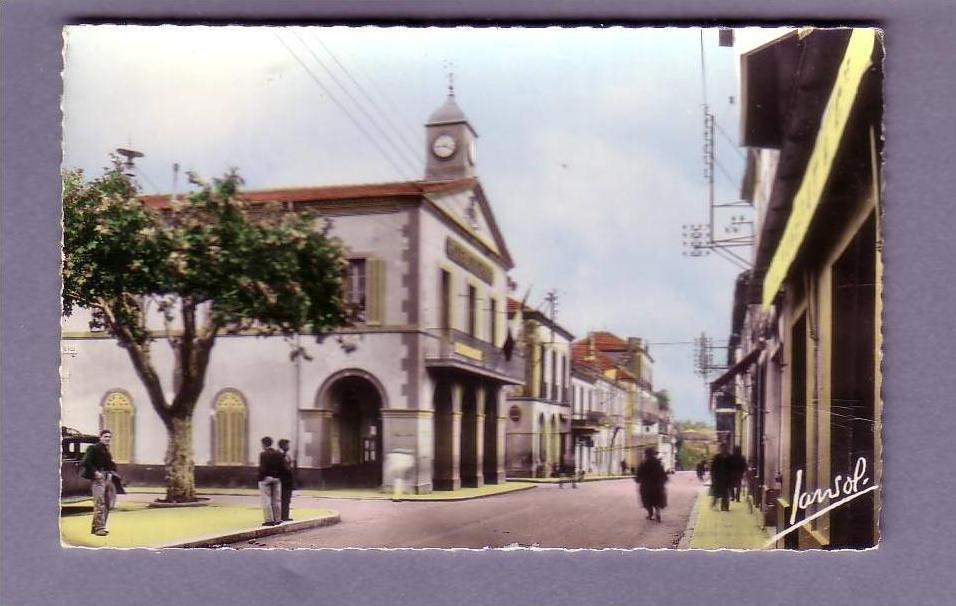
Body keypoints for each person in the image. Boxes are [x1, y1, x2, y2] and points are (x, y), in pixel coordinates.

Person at [82, 429, 118, 536]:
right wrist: (96, 472)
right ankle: (99, 528)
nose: (108, 439)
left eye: (109, 437)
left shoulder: (106, 450)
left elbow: (111, 464)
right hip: (98, 479)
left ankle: (97, 527)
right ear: (100, 437)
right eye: (105, 436)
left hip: (107, 478)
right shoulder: (93, 448)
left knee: (107, 504)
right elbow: (86, 461)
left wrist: (111, 472)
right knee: (99, 504)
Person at [634, 447, 668, 522]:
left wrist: (637, 480)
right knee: (657, 500)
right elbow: (663, 474)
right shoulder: (658, 463)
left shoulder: (643, 463)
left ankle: (650, 514)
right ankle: (658, 512)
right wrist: (664, 481)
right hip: (657, 486)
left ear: (646, 454)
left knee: (647, 501)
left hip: (646, 486)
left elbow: (639, 474)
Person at [258, 436, 285, 526]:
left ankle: (269, 520)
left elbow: (262, 468)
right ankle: (278, 519)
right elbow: (283, 467)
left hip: (266, 478)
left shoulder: (263, 454)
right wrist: (279, 476)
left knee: (266, 499)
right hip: (277, 478)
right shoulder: (279, 454)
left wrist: (261, 478)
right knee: (276, 500)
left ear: (264, 444)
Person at [710, 442, 733, 511]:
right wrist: (713, 477)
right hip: (718, 478)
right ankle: (715, 504)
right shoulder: (717, 457)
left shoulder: (730, 457)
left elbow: (732, 467)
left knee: (726, 493)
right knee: (717, 492)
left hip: (727, 478)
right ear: (721, 449)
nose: (724, 449)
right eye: (722, 448)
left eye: (725, 448)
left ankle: (725, 506)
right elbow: (713, 468)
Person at [277, 438, 295, 522]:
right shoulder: (278, 454)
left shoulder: (287, 455)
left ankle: (285, 516)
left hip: (288, 481)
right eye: (287, 445)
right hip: (282, 480)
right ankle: (281, 516)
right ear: (282, 445)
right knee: (282, 499)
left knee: (287, 499)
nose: (288, 447)